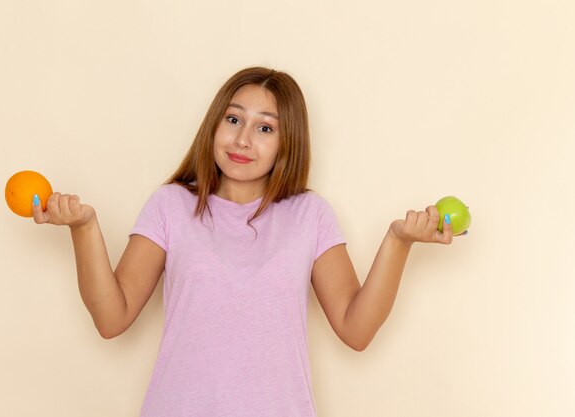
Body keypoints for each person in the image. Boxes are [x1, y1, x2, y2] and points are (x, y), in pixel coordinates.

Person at [32, 66, 454, 416]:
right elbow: (112, 319)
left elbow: (356, 330)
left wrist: (398, 242)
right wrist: (84, 229)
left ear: (286, 143)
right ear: (214, 124)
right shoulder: (170, 205)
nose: (242, 139)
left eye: (265, 128)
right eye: (233, 119)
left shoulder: (310, 215)